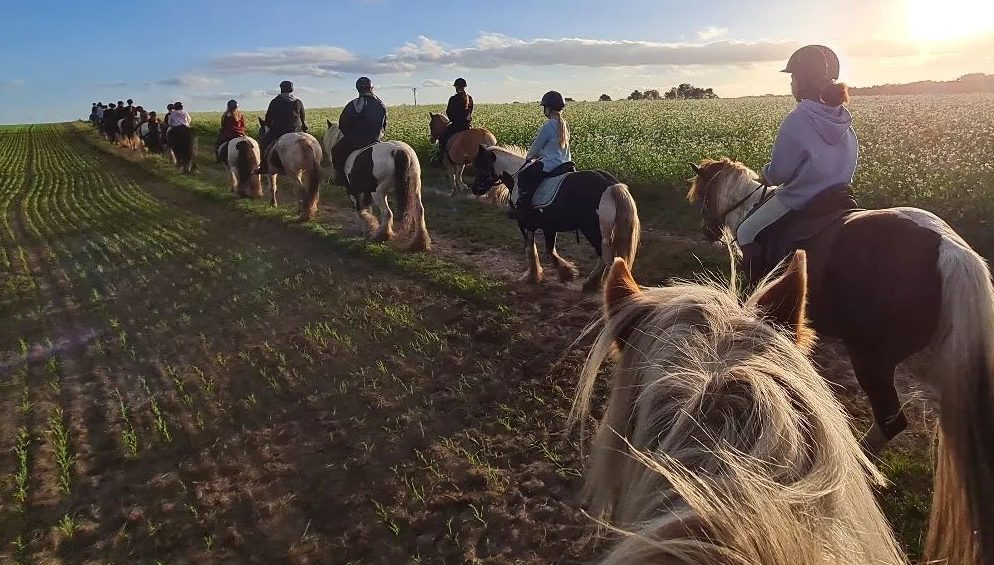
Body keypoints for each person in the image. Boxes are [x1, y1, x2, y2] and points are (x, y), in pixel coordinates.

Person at [736, 44, 856, 281]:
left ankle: (756, 293)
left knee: (745, 231)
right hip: (840, 197)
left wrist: (766, 174)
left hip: (801, 199)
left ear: (802, 81)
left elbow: (779, 174)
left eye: (792, 77)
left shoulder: (797, 119)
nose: (790, 84)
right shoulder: (843, 118)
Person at [512, 90, 575, 219]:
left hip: (550, 165)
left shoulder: (548, 126)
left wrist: (530, 157)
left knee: (523, 176)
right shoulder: (565, 124)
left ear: (548, 108)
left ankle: (524, 209)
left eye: (545, 107)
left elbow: (535, 149)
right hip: (566, 164)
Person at [331, 76, 387, 188]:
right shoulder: (380, 104)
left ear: (358, 89)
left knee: (335, 150)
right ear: (371, 88)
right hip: (375, 139)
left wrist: (349, 136)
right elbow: (384, 124)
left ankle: (340, 177)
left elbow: (343, 124)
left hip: (354, 141)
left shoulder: (353, 104)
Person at [254, 80, 307, 174]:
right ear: (292, 89)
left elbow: (269, 117)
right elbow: (303, 117)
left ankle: (264, 166)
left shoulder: (275, 101)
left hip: (279, 130)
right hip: (296, 130)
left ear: (281, 89)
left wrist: (269, 125)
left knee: (264, 143)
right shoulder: (298, 102)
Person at [437, 78, 473, 156]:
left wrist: (452, 120)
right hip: (468, 126)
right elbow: (470, 112)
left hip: (457, 126)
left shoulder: (453, 99)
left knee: (443, 138)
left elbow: (449, 112)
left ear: (456, 87)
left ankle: (441, 157)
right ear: (464, 87)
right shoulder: (469, 98)